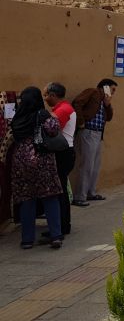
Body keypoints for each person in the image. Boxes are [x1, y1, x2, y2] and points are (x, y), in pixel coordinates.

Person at [11, 87, 64, 249]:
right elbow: (54, 130)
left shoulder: (17, 118)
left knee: (27, 200)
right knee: (50, 197)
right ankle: (55, 235)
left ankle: (27, 240)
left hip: (20, 162)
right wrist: (51, 117)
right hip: (42, 161)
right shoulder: (42, 115)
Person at [71, 78, 117, 207]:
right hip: (88, 132)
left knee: (95, 165)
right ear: (105, 87)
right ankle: (79, 196)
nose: (113, 93)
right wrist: (80, 122)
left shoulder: (105, 101)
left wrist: (108, 104)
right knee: (87, 165)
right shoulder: (92, 92)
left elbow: (109, 118)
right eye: (112, 89)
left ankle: (90, 192)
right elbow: (77, 103)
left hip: (97, 134)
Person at [44, 82, 76, 236]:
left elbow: (52, 131)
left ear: (53, 95)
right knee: (60, 190)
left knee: (60, 191)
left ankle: (62, 227)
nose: (45, 99)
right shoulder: (62, 108)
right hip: (65, 152)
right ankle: (62, 225)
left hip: (63, 153)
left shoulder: (63, 110)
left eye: (46, 95)